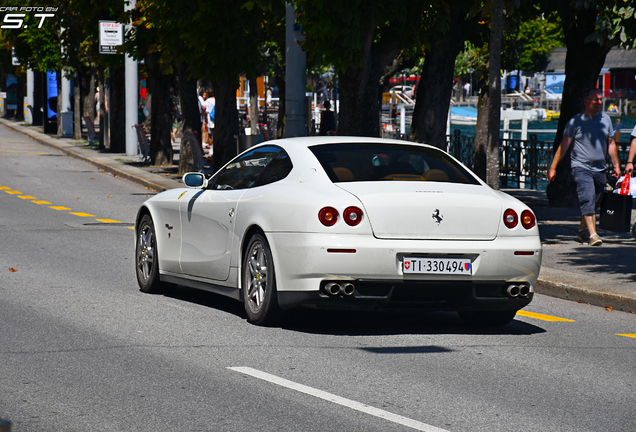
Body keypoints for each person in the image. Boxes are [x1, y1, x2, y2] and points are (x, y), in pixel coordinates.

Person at [548, 88, 621, 246]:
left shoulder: (606, 120)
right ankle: (593, 235)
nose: (599, 102)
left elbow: (610, 144)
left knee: (593, 202)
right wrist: (553, 167)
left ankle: (581, 232)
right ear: (586, 101)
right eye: (596, 100)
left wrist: (616, 165)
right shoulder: (575, 121)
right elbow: (564, 146)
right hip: (581, 166)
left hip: (600, 168)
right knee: (587, 197)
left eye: (601, 99)